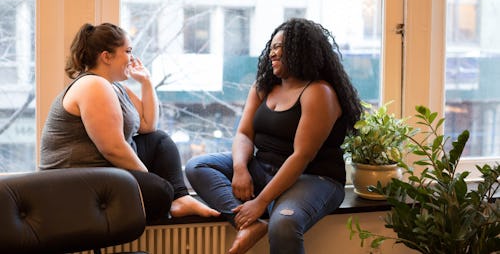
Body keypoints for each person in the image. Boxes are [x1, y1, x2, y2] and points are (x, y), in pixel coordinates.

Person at [186, 18, 363, 254]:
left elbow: (302, 156)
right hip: (264, 168)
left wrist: (259, 203)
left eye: (281, 47)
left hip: (313, 178)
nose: (273, 53)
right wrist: (240, 169)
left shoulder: (319, 92)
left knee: (284, 225)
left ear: (301, 50)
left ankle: (259, 215)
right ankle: (252, 225)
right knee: (198, 166)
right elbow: (244, 133)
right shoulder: (264, 86)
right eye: (272, 47)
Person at [40, 22, 220, 222]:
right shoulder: (93, 85)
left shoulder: (114, 87)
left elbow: (148, 126)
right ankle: (171, 197)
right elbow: (113, 148)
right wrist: (148, 178)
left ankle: (181, 199)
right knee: (159, 192)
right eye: (127, 51)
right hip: (75, 183)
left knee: (159, 140)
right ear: (106, 56)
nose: (132, 57)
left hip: (103, 171)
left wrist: (146, 82)